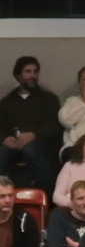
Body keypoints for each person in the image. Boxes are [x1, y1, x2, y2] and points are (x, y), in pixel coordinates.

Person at [0, 55, 61, 192]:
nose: (32, 75)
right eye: (28, 71)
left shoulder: (49, 99)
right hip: (13, 144)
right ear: (18, 76)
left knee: (29, 149)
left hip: (41, 144)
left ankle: (44, 195)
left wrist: (33, 135)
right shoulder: (7, 101)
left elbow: (54, 126)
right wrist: (3, 139)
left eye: (35, 71)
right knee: (2, 153)